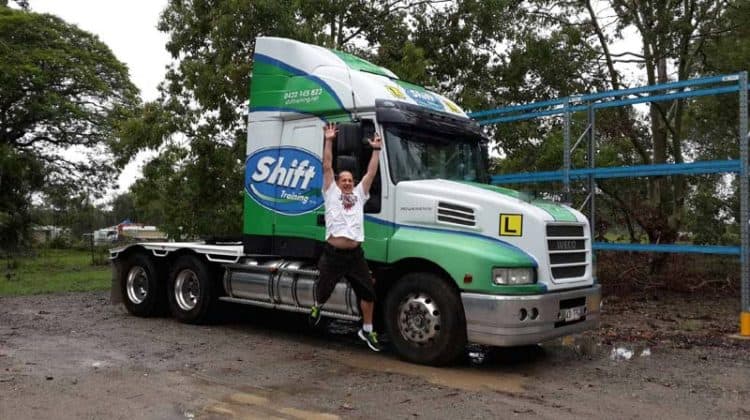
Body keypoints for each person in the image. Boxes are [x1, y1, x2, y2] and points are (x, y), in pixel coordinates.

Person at [309, 121, 383, 352]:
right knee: (324, 290)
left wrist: (376, 150)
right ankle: (318, 306)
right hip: (333, 254)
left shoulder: (360, 194)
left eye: (351, 180)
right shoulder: (330, 192)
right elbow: (327, 165)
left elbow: (371, 172)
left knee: (368, 293)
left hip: (354, 255)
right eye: (345, 180)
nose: (348, 183)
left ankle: (368, 330)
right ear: (338, 183)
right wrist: (329, 140)